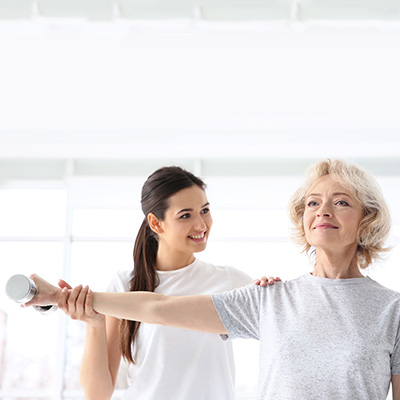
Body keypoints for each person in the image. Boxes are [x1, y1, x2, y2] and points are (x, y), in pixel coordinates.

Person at [29, 158, 400, 399]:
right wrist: (68, 298)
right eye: (313, 203)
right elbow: (157, 307)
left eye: (341, 202)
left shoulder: (392, 310)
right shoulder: (269, 299)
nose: (323, 212)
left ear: (367, 219)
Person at [35, 166, 278, 400]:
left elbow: (277, 325)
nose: (201, 225)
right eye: (186, 215)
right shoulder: (124, 284)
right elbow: (98, 395)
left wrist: (269, 293)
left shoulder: (229, 280)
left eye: (205, 210)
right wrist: (94, 323)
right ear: (156, 223)